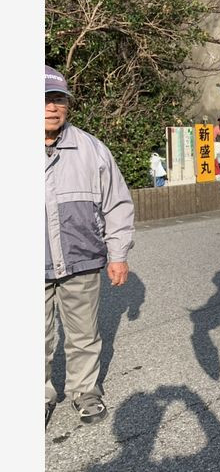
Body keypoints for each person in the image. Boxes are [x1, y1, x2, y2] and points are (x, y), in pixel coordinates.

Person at [45, 65, 135, 427]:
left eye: (57, 100)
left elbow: (117, 203)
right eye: (41, 100)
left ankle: (85, 390)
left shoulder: (91, 149)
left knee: (83, 334)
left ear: (67, 105)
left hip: (81, 260)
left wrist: (118, 255)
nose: (51, 108)